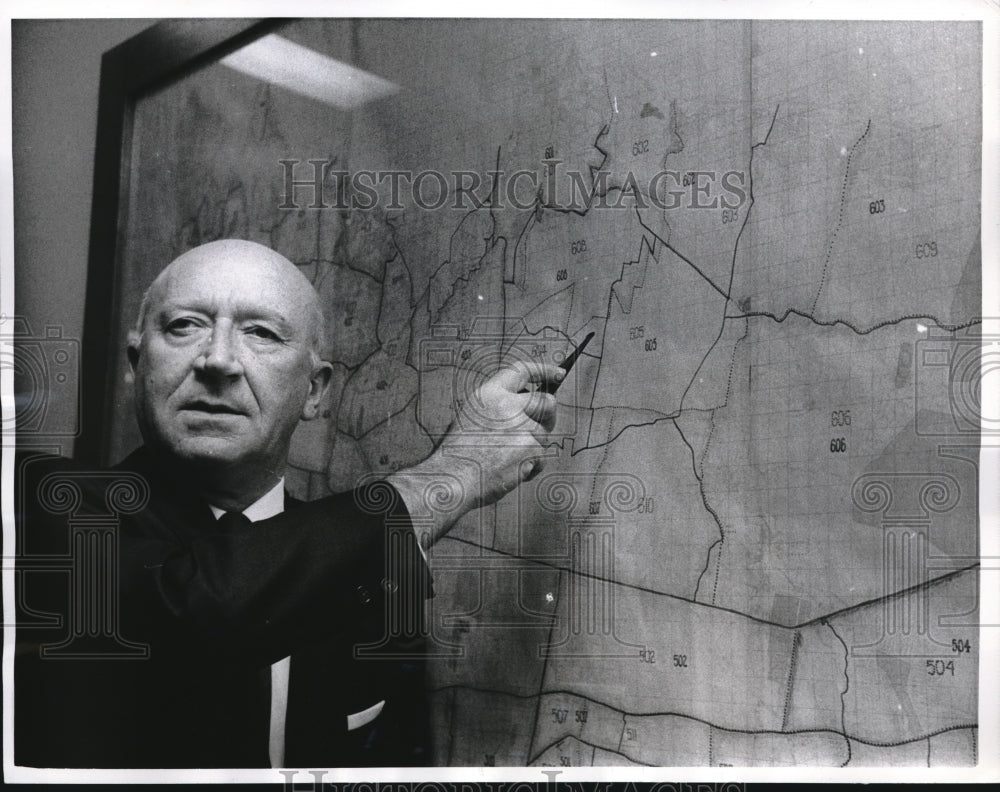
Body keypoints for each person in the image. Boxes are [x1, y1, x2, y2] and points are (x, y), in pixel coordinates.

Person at [14, 239, 562, 768]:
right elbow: (205, 604)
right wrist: (454, 474)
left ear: (315, 392)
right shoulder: (36, 508)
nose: (219, 361)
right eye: (185, 326)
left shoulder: (367, 573)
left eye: (261, 333)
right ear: (136, 365)